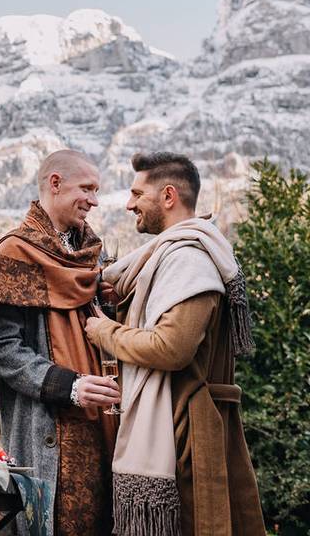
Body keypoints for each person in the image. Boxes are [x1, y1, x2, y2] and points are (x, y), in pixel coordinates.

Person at [85, 152, 264, 536]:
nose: (129, 204)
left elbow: (172, 347)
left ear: (168, 196)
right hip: (176, 420)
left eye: (137, 193)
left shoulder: (189, 260)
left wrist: (105, 333)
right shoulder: (168, 257)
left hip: (186, 430)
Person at [0, 149, 121, 536]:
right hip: (51, 429)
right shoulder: (15, 255)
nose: (94, 200)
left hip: (103, 424)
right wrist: (70, 386)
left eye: (97, 190)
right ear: (55, 183)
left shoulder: (91, 256)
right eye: (86, 188)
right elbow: (2, 348)